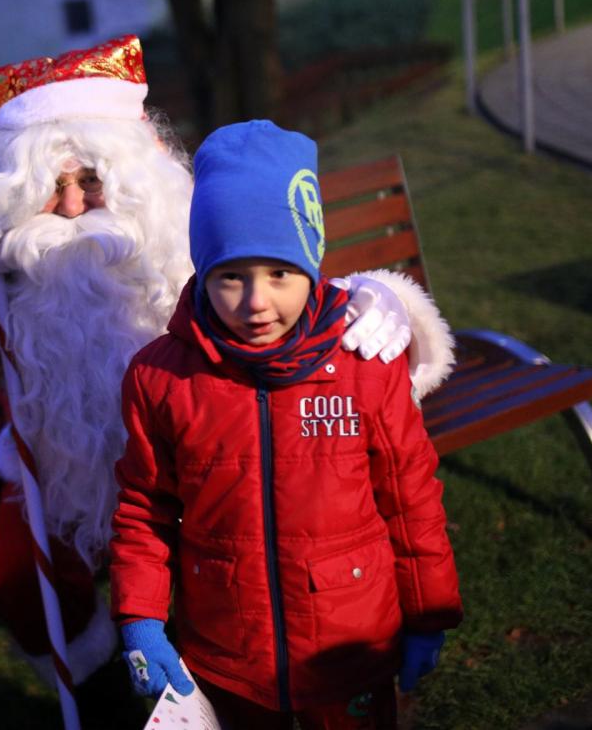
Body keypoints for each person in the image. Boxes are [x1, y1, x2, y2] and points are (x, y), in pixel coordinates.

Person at [0, 36, 456, 687]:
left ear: (130, 186)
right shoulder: (4, 267)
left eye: (89, 183)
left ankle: (198, 663)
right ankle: (99, 680)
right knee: (19, 575)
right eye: (49, 188)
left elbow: (286, 302)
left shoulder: (177, 245)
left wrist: (383, 300)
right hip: (57, 469)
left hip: (194, 457)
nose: (69, 208)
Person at [109, 120, 462, 729]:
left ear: (313, 268)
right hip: (227, 653)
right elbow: (145, 507)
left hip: (350, 648)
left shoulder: (364, 367)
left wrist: (429, 613)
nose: (256, 302)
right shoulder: (160, 378)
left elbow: (410, 498)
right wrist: (140, 617)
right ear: (202, 272)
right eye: (230, 276)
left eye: (280, 273)